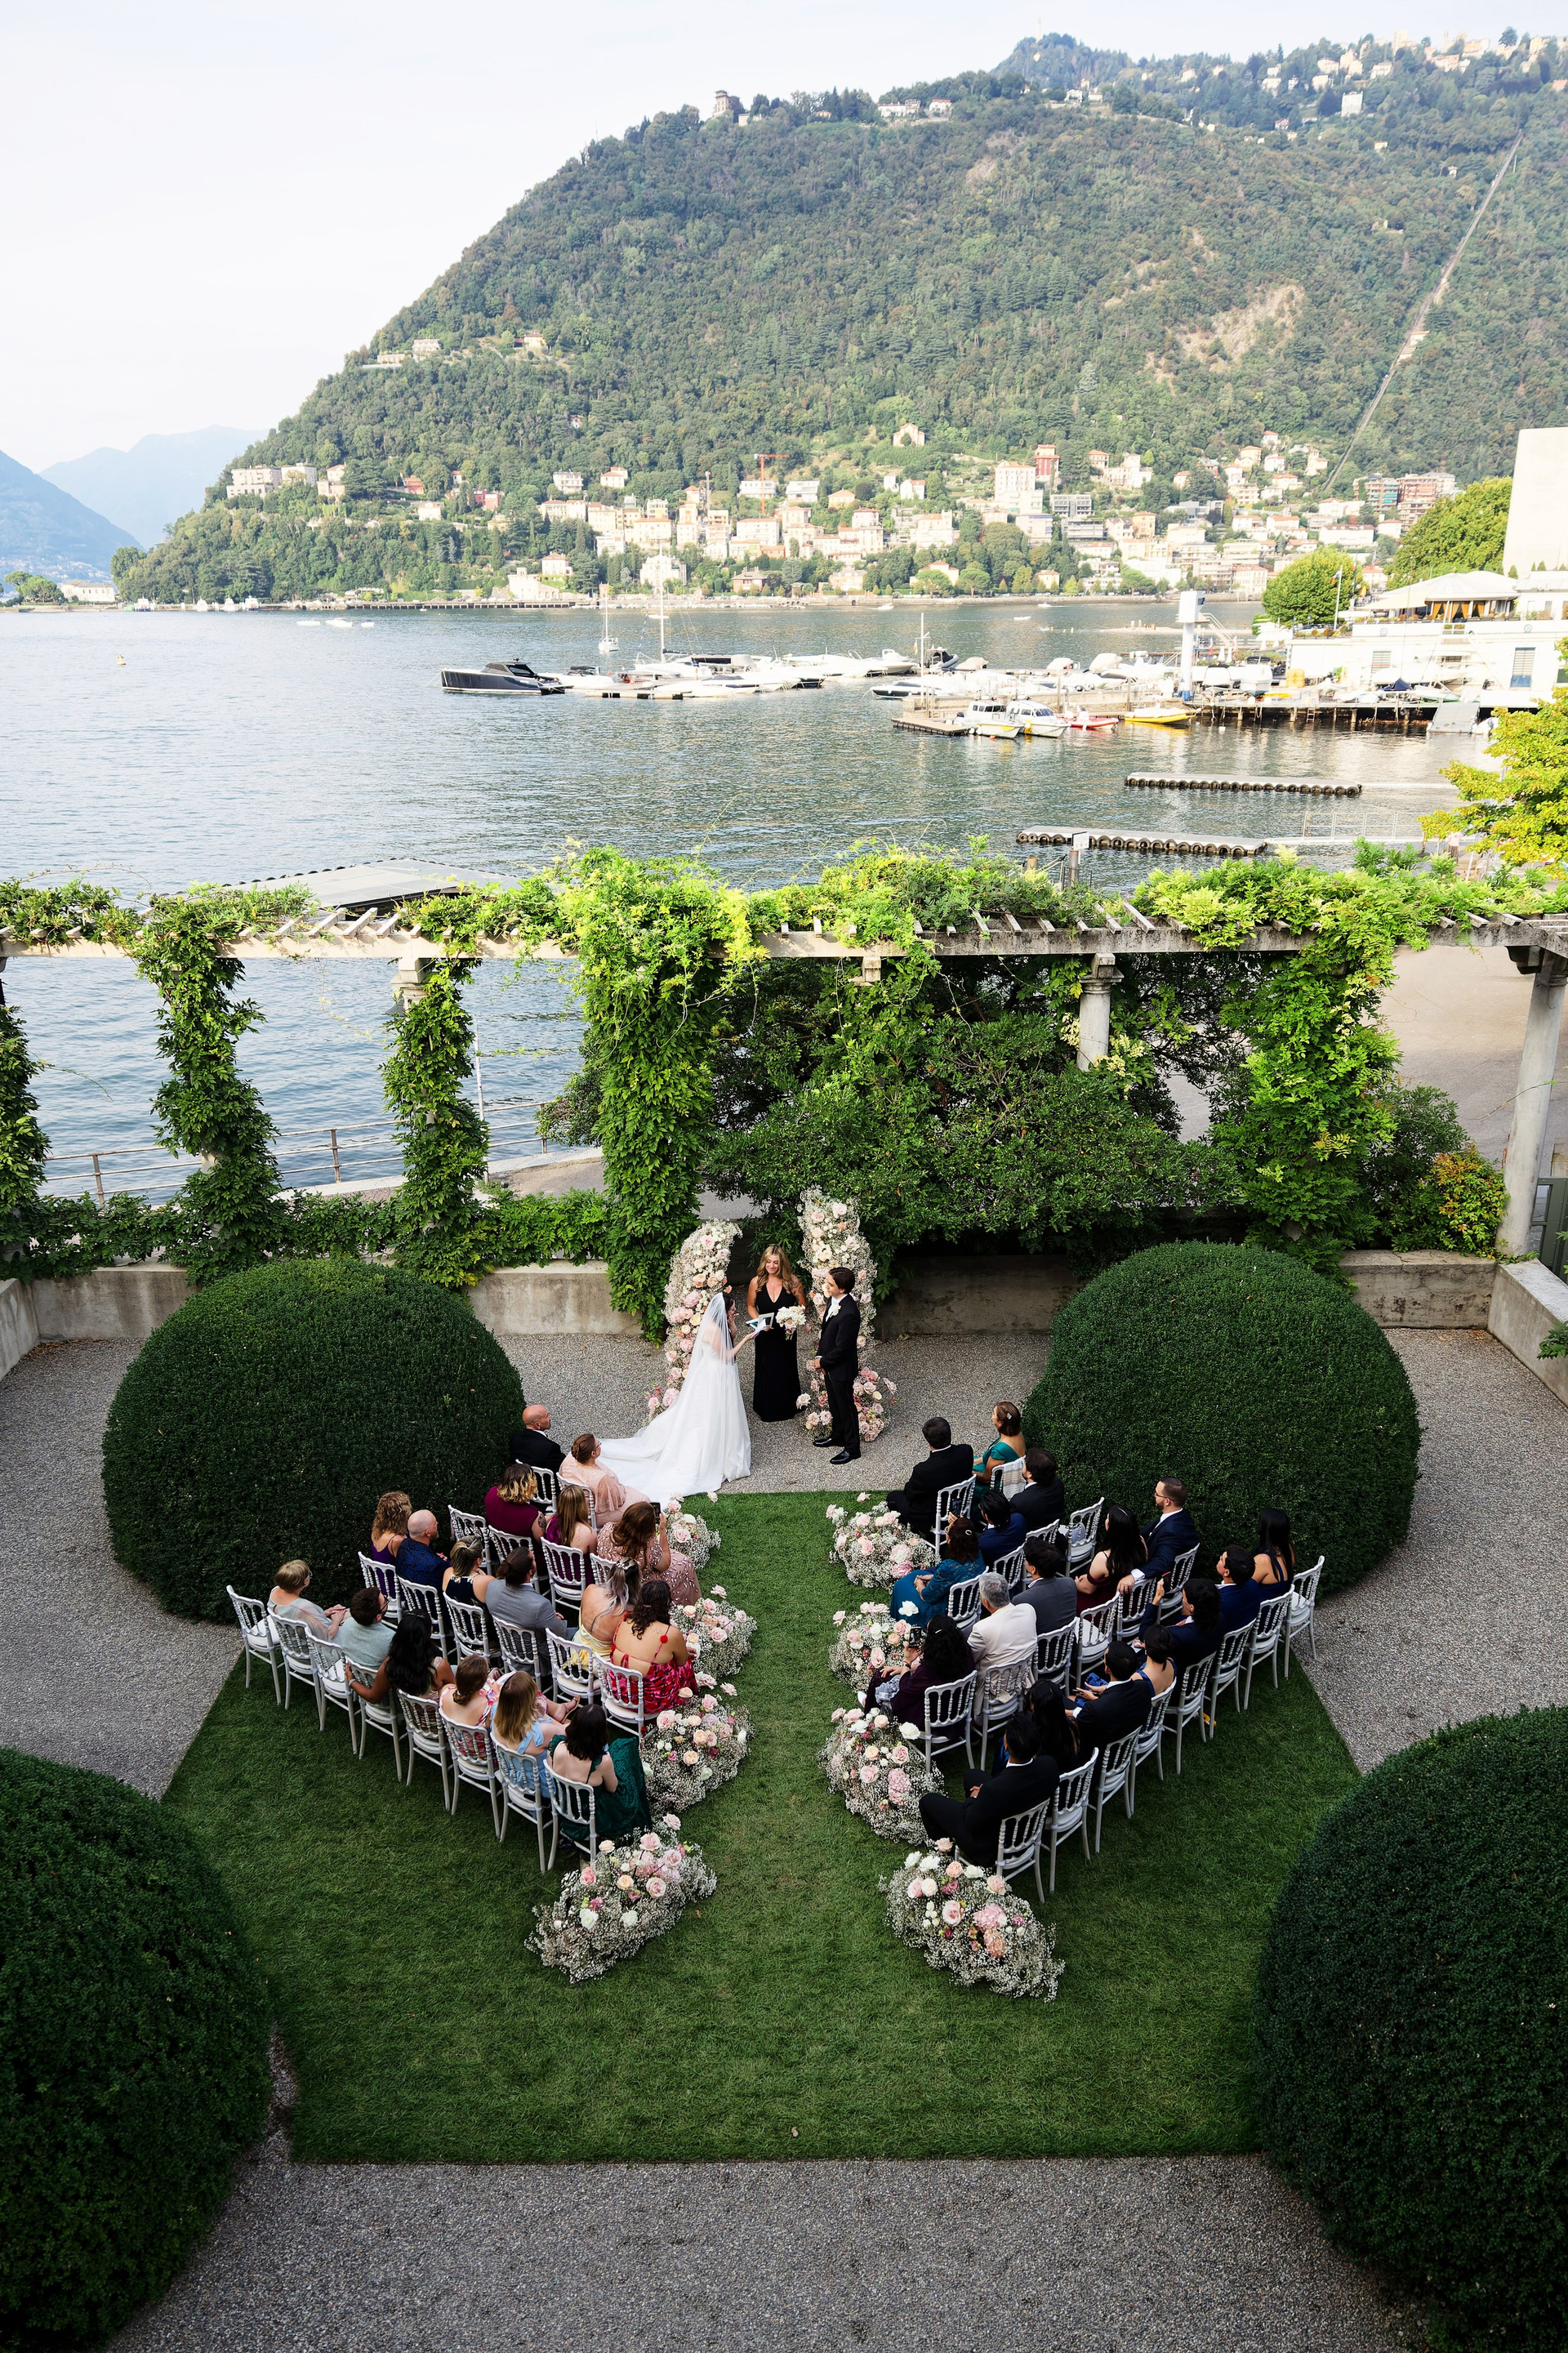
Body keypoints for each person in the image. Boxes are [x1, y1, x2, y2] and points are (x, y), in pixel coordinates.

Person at [598, 1291, 752, 1501]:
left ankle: (724, 1447)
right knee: (711, 1414)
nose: (735, 1312)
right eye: (732, 1310)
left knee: (722, 1412)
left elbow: (729, 1340)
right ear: (723, 1311)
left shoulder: (721, 1326)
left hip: (720, 1375)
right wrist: (746, 1340)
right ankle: (710, 1454)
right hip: (714, 1376)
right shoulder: (713, 1330)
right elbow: (726, 1355)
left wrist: (733, 1325)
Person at [916, 1709, 1059, 1865]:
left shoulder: (994, 1790)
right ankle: (982, 1812)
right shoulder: (1050, 1765)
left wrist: (976, 1798)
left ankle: (946, 1851)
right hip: (1025, 1828)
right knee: (972, 1775)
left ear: (1006, 1747)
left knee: (927, 1801)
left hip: (994, 1845)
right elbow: (1012, 1788)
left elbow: (970, 1821)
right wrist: (985, 1794)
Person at [546, 1700, 654, 1844]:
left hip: (566, 1805)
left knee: (621, 1750)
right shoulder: (602, 1762)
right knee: (626, 1748)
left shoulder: (556, 1746)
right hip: (593, 1813)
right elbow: (613, 1788)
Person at [605, 1576, 695, 1714]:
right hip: (649, 1703)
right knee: (685, 1665)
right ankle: (688, 1701)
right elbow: (682, 1662)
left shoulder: (625, 1621)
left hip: (617, 1691)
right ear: (666, 1605)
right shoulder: (670, 1633)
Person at [875, 1613, 976, 1731]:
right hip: (959, 1712)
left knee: (881, 1677)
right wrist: (905, 1669)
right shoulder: (965, 1653)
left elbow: (905, 1688)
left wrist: (906, 1661)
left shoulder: (929, 1670)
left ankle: (873, 1710)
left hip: (932, 1720)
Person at [885, 1415, 975, 1542]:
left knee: (893, 1497)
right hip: (961, 1505)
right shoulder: (966, 1451)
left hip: (937, 1515)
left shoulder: (923, 1470)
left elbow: (911, 1493)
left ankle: (913, 1533)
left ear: (928, 1442)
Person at [595, 1499, 698, 1609]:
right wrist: (663, 1531)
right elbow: (666, 1565)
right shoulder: (647, 1547)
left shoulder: (607, 1529)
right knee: (685, 1563)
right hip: (635, 1589)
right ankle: (686, 1608)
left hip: (608, 1580)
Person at [748, 1243, 808, 1423]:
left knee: (785, 1365)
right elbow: (751, 1306)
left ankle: (788, 1405)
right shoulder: (756, 1282)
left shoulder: (793, 1282)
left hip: (786, 1333)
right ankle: (765, 1406)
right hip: (765, 1332)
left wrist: (793, 1320)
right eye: (769, 1262)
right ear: (764, 1262)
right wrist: (760, 1323)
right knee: (766, 1366)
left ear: (782, 1263)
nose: (772, 1266)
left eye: (776, 1262)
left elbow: (802, 1306)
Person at [890, 1514, 982, 1629]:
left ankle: (899, 1623)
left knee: (900, 1586)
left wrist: (919, 1585)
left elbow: (927, 1596)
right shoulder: (979, 1555)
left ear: (950, 1540)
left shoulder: (948, 1568)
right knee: (916, 1574)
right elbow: (957, 1576)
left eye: (947, 1530)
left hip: (945, 1611)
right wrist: (933, 1577)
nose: (946, 1532)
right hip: (968, 1603)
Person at [813, 1266, 862, 1465]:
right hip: (830, 1365)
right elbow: (826, 1333)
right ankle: (838, 1436)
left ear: (842, 1289)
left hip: (841, 1368)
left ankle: (852, 1449)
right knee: (834, 1404)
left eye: (830, 1284)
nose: (826, 1286)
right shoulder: (833, 1300)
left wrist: (822, 1362)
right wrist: (820, 1355)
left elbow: (843, 1348)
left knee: (846, 1408)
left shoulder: (849, 1313)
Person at [490, 1670, 573, 1781]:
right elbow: (568, 1734)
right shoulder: (540, 1732)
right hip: (540, 1783)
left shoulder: (495, 1711)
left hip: (512, 1775)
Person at [1072, 1638, 1153, 1751]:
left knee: (1069, 1699)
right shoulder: (1143, 1687)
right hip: (1125, 1746)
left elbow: (1085, 1719)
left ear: (1107, 1669)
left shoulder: (1095, 1708)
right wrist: (1096, 1698)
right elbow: (1118, 1706)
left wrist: (1065, 1711)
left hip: (1099, 1753)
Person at [1120, 1478, 1198, 1594]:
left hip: (1156, 1584)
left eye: (1157, 1494)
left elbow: (1163, 1561)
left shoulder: (1171, 1531)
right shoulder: (1182, 1516)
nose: (1154, 1496)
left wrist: (1133, 1576)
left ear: (1167, 1501)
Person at [1148, 1575, 1223, 1690]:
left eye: (1183, 1597)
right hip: (1202, 1677)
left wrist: (1156, 1599)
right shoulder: (1220, 1618)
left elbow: (1145, 1635)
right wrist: (1188, 1620)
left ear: (1192, 1607)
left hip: (1180, 1686)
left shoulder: (1179, 1636)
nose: (1182, 1600)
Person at [484, 1545, 572, 1642]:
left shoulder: (492, 1586)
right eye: (534, 1559)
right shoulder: (540, 1605)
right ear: (530, 1572)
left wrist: (548, 1617)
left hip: (508, 1645)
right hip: (540, 1650)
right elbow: (561, 1633)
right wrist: (556, 1620)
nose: (535, 1560)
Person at [967, 1571, 1040, 1689]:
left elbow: (969, 1660)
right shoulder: (1028, 1610)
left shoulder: (982, 1629)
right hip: (1021, 1679)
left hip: (992, 1688)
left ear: (985, 1602)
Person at [1078, 1504, 1146, 1611]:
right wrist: (1089, 1578)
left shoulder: (1104, 1558)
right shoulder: (1140, 1543)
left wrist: (1074, 1583)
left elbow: (1088, 1589)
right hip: (1133, 1608)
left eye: (1107, 1518)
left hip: (1105, 1611)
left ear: (1110, 1527)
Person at [564, 1434, 642, 1519]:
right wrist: (620, 1489)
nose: (600, 1446)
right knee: (643, 1501)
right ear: (593, 1453)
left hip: (571, 1506)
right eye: (599, 1445)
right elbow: (617, 1502)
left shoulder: (571, 1457)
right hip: (590, 1515)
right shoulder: (600, 1478)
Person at [1020, 1529, 1077, 1635]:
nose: (1025, 1562)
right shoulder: (1070, 1583)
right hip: (1068, 1642)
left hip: (1040, 1646)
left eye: (1026, 1560)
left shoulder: (1022, 1599)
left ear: (1033, 1569)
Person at [269, 1560, 346, 1636]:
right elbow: (329, 1635)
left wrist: (321, 1614)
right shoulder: (302, 1607)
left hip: (292, 1638)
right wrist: (336, 1620)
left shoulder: (275, 1591)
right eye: (309, 1574)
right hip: (317, 1643)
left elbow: (293, 1615)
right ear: (305, 1581)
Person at [336, 1584, 394, 1678]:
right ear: (378, 1617)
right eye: (385, 1601)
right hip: (379, 1683)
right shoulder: (391, 1638)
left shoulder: (346, 1625)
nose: (386, 1597)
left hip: (355, 1676)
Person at [484, 1463, 542, 1545]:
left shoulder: (492, 1493)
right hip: (524, 1552)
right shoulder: (533, 1516)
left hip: (499, 1546)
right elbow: (543, 1543)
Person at [1013, 1447, 1067, 1535]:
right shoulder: (1058, 1484)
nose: (1023, 1466)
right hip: (1055, 1537)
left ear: (1030, 1474)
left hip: (1031, 1541)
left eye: (1024, 1464)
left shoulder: (1019, 1501)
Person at [396, 1509, 448, 1592]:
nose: (437, 1523)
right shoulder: (437, 1566)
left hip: (409, 1596)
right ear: (428, 1533)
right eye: (435, 1523)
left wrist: (435, 1558)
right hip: (429, 1599)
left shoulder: (403, 1546)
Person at [976, 1402, 1027, 1486]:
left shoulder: (1000, 1450)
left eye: (993, 1413)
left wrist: (968, 1471)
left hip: (998, 1485)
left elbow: (987, 1478)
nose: (991, 1416)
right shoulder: (1018, 1434)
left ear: (1000, 1423)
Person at [976, 1486, 1027, 1571]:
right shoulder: (1019, 1519)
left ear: (986, 1516)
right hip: (1017, 1567)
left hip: (997, 1574)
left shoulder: (984, 1542)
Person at [1217, 1544, 1263, 1632]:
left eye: (1221, 1560)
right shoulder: (1253, 1584)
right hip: (1244, 1632)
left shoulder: (1220, 1602)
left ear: (1226, 1572)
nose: (1219, 1559)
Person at [439, 1652, 494, 1727]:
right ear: (483, 1682)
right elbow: (490, 1728)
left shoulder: (445, 1691)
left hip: (451, 1733)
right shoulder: (488, 1707)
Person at [509, 1403, 564, 1476]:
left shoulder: (516, 1438)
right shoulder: (550, 1447)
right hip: (545, 1482)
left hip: (524, 1479)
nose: (550, 1418)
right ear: (537, 1425)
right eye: (547, 1416)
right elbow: (560, 1469)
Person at [544, 1485, 598, 1555]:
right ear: (582, 1506)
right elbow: (593, 1559)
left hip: (553, 1562)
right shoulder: (589, 1533)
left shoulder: (551, 1522)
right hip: (578, 1563)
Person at [1253, 1508, 1295, 1593]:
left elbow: (1242, 1590)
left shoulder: (1263, 1560)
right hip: (1280, 1599)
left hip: (1264, 1601)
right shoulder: (1287, 1550)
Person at [442, 1541, 488, 1608]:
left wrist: (475, 1570)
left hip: (456, 1615)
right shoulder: (485, 1581)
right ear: (478, 1561)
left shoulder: (448, 1572)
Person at [369, 1492, 410, 1564]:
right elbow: (410, 1565)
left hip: (379, 1571)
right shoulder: (397, 1540)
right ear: (401, 1517)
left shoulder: (376, 1530)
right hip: (393, 1571)